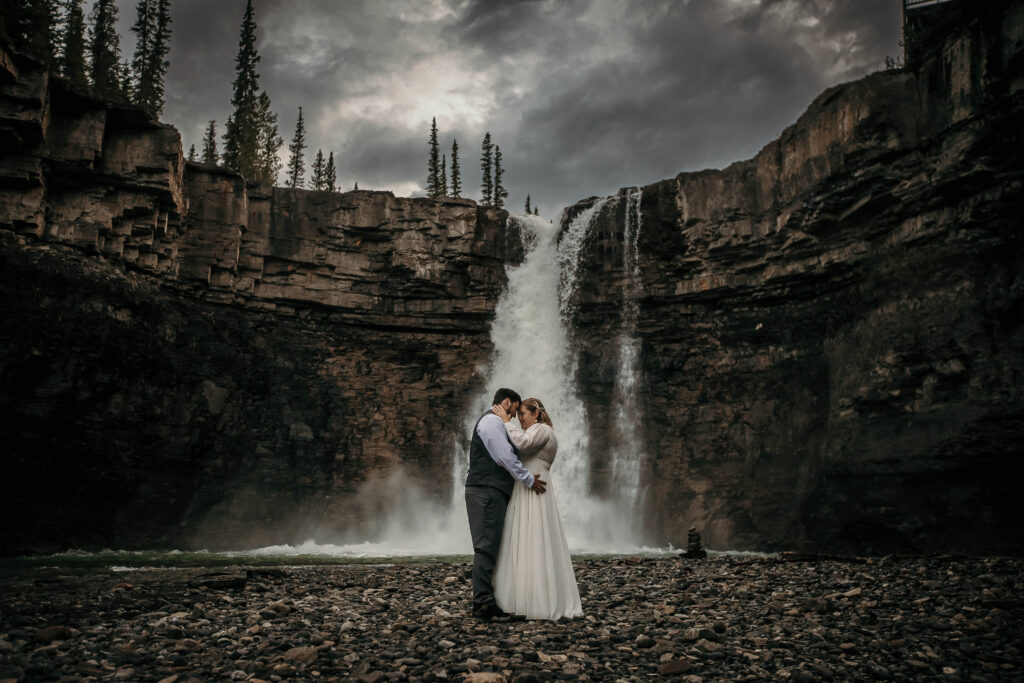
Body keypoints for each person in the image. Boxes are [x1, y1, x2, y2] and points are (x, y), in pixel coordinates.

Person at [491, 398, 583, 620]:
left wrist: (505, 422)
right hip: (526, 485)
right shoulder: (534, 430)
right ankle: (519, 597)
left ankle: (539, 600)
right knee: (522, 537)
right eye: (519, 415)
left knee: (536, 536)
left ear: (536, 414)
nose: (520, 419)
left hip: (536, 485)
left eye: (523, 414)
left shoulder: (542, 429)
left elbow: (523, 444)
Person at [465, 388, 547, 620]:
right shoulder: (492, 422)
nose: (513, 418)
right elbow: (504, 456)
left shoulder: (493, 421)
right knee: (486, 546)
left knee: (490, 545)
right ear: (508, 402)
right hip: (486, 491)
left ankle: (487, 600)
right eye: (514, 411)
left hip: (487, 490)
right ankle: (483, 604)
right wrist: (528, 479)